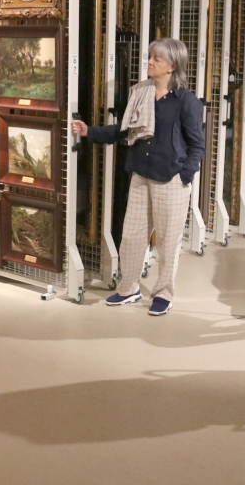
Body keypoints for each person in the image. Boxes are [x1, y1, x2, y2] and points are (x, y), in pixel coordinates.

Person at [72, 38, 205, 316]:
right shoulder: (140, 93)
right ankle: (128, 289)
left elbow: (197, 145)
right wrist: (89, 132)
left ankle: (164, 294)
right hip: (141, 175)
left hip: (171, 179)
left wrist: (186, 173)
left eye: (156, 59)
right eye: (150, 57)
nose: (150, 62)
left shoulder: (186, 101)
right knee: (131, 238)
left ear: (171, 66)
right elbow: (124, 130)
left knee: (168, 241)